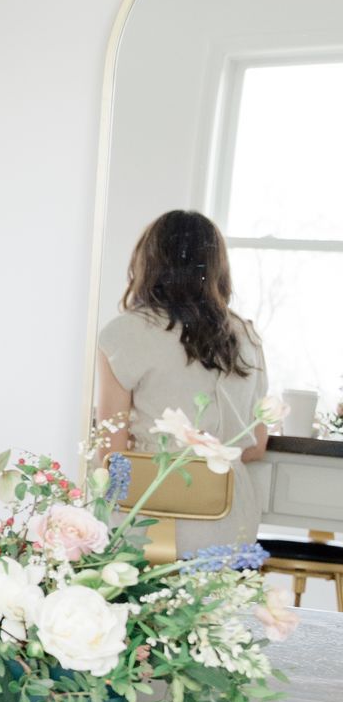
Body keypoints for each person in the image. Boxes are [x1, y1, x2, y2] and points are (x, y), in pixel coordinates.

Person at [96, 209, 271, 554]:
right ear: (217, 267)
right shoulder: (246, 335)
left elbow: (110, 453)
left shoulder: (123, 333)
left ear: (148, 262)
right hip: (227, 516)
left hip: (148, 513)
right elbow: (256, 444)